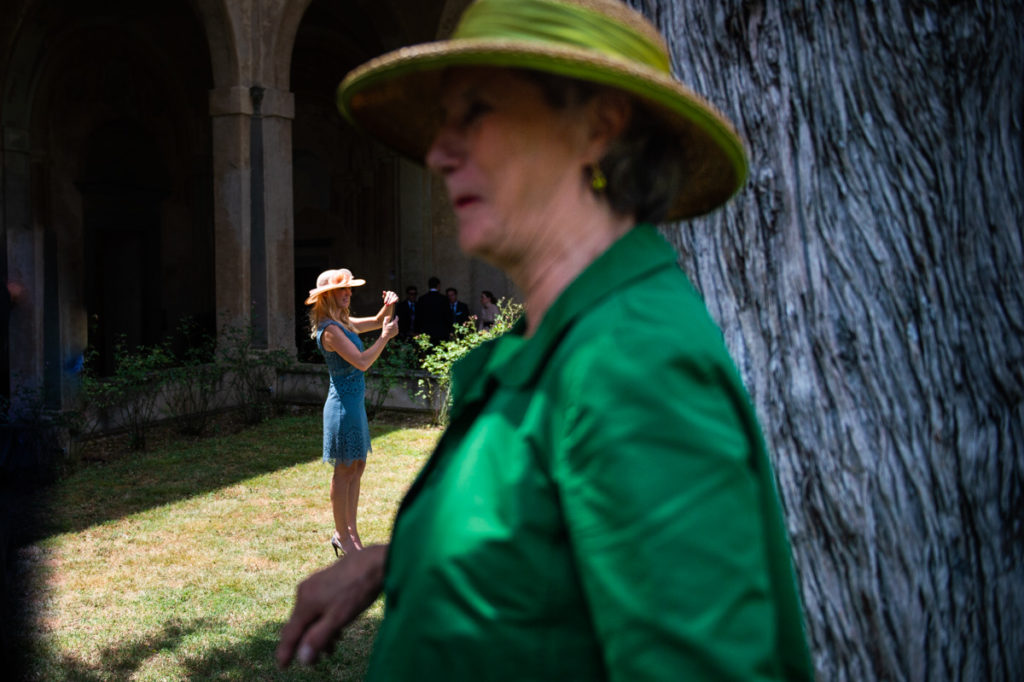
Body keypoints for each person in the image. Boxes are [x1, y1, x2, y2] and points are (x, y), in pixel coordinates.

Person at [279, 1, 814, 679]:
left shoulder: (633, 368)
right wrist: (410, 559)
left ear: (599, 126)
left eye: (474, 112)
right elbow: (552, 535)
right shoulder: (565, 339)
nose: (439, 154)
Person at [304, 268, 398, 557]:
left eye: (349, 289)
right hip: (342, 407)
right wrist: (384, 338)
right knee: (343, 471)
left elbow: (376, 320)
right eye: (341, 290)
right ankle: (341, 534)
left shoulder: (342, 322)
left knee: (357, 467)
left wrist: (389, 304)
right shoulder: (330, 330)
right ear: (327, 296)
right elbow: (361, 361)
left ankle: (351, 532)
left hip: (353, 404)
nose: (348, 293)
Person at [414, 276, 450, 344]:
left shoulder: (422, 299)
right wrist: (449, 331)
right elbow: (448, 317)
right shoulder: (444, 299)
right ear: (438, 285)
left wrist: (417, 331)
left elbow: (418, 317)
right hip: (441, 333)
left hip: (426, 332)